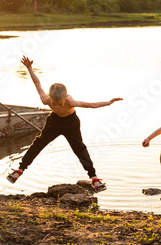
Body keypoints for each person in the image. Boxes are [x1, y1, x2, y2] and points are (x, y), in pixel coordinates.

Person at [7, 56, 122, 191]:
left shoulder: (70, 102)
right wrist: (29, 68)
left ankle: (94, 178)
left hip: (71, 123)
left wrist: (108, 102)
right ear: (50, 98)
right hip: (54, 121)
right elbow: (37, 83)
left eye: (60, 104)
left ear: (65, 98)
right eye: (54, 104)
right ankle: (19, 170)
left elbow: (91, 105)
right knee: (38, 143)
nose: (56, 106)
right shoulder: (46, 100)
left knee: (79, 148)